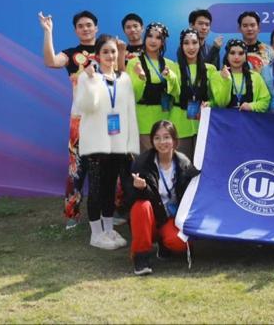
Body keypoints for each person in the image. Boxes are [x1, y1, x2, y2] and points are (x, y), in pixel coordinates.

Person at [74, 34, 139, 250]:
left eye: (113, 51)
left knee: (111, 187)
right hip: (96, 142)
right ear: (97, 55)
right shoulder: (87, 77)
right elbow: (87, 106)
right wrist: (91, 80)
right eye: (105, 52)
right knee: (96, 187)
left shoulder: (124, 78)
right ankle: (96, 233)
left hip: (117, 142)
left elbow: (129, 111)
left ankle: (109, 229)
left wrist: (130, 142)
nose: (110, 56)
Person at [39, 9, 99, 228]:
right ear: (75, 31)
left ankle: (112, 211)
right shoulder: (71, 53)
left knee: (109, 167)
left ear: (96, 27)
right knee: (77, 168)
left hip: (106, 120)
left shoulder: (107, 49)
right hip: (80, 120)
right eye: (80, 26)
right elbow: (51, 61)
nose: (85, 29)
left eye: (89, 25)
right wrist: (48, 32)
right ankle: (72, 214)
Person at [127, 120, 199, 275]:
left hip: (172, 217)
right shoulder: (142, 163)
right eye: (157, 138)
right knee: (141, 206)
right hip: (151, 218)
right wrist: (140, 188)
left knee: (180, 243)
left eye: (166, 137)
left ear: (174, 140)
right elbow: (129, 200)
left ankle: (164, 244)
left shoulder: (184, 163)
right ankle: (141, 257)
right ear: (152, 141)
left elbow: (192, 196)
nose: (162, 142)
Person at [126, 23, 179, 153]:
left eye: (158, 37)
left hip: (165, 119)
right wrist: (140, 78)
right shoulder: (134, 63)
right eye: (150, 36)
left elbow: (177, 93)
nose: (153, 41)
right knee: (147, 160)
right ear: (145, 38)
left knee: (165, 159)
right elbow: (132, 95)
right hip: (143, 120)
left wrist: (170, 77)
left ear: (163, 42)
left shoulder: (170, 64)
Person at [169, 28, 216, 160]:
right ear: (181, 46)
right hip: (179, 123)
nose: (191, 47)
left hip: (202, 124)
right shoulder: (173, 68)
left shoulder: (210, 69)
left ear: (200, 44)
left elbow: (215, 99)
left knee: (202, 164)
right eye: (186, 43)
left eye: (194, 42)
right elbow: (171, 92)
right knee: (181, 165)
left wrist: (209, 103)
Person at [210, 39, 271, 111]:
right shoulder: (217, 76)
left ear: (245, 57)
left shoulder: (256, 77)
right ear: (227, 56)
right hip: (223, 118)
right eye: (232, 53)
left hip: (248, 118)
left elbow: (265, 101)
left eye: (241, 53)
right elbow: (220, 104)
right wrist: (226, 81)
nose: (236, 57)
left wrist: (252, 106)